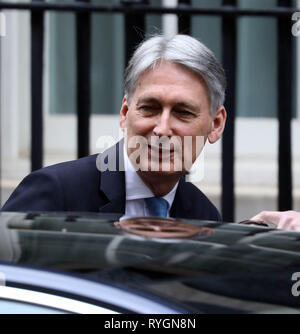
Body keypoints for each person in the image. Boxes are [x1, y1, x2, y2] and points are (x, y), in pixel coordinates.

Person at [1, 34, 227, 221]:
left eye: (183, 113)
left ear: (216, 125)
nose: (162, 129)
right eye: (150, 108)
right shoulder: (56, 194)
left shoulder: (203, 215)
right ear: (125, 113)